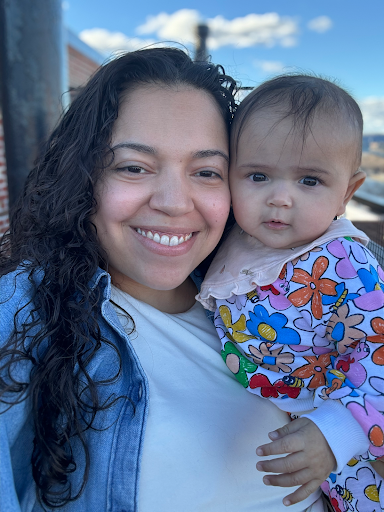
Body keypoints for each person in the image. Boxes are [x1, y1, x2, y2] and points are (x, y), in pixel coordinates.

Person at [0, 49, 326, 511]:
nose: (174, 202)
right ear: (84, 176)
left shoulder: (270, 295)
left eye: (206, 172)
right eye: (134, 167)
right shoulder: (26, 308)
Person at [197, 75, 384, 512]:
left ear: (347, 192)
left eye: (310, 181)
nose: (280, 198)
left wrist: (341, 431)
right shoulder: (231, 243)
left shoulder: (342, 263)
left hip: (354, 448)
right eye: (258, 175)